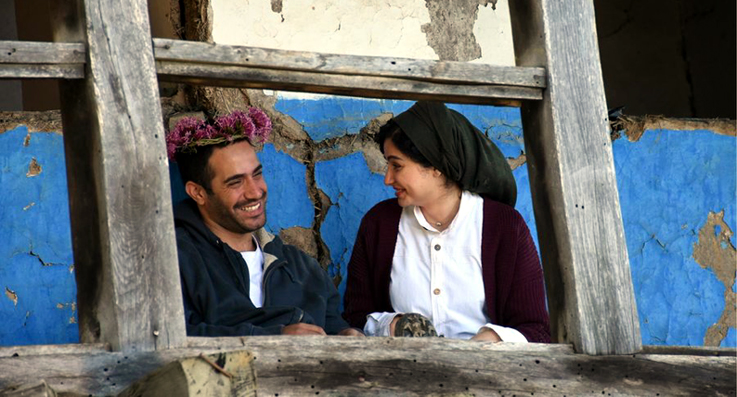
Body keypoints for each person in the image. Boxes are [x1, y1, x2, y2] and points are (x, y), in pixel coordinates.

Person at [343, 101, 550, 343]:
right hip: (401, 373)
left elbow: (535, 329)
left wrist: (491, 340)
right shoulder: (378, 224)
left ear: (436, 167)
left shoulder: (505, 226)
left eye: (397, 166)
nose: (388, 178)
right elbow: (355, 318)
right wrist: (393, 325)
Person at [168, 108, 362, 337]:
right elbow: (173, 337)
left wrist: (348, 336)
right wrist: (276, 338)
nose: (255, 192)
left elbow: (334, 328)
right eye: (235, 182)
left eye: (257, 174)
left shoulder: (301, 268)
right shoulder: (175, 260)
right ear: (198, 193)